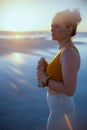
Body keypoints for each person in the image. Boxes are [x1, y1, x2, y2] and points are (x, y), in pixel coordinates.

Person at [37, 9, 81, 130]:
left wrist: (45, 78)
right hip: (59, 108)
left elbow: (70, 89)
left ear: (69, 29)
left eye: (57, 26)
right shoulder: (64, 51)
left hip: (61, 110)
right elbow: (60, 77)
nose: (51, 29)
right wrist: (46, 70)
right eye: (52, 26)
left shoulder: (68, 52)